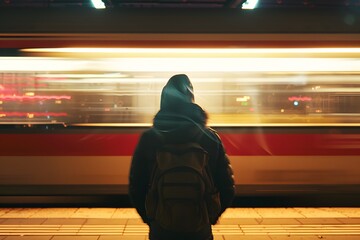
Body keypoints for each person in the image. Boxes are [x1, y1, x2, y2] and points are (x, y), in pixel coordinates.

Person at [129, 74, 235, 240]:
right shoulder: (210, 138)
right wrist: (210, 217)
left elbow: (137, 186)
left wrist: (152, 219)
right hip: (199, 229)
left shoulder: (149, 138)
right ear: (190, 99)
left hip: (161, 229)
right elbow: (227, 186)